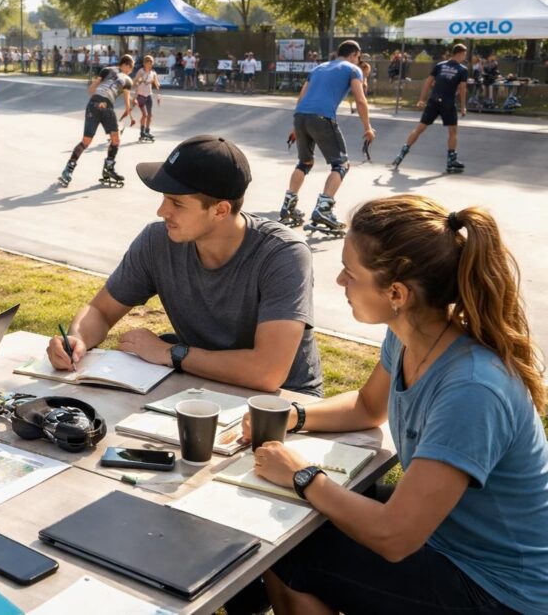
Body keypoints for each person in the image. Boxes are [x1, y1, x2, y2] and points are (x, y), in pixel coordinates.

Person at [249, 194, 548, 615]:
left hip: (502, 592)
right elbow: (367, 407)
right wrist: (289, 417)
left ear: (396, 293)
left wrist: (302, 475)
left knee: (292, 547)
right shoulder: (411, 336)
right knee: (311, 517)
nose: (340, 281)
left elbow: (394, 537)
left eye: (350, 272)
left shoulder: (473, 389)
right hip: (451, 543)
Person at [48, 135, 323, 397]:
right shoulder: (157, 240)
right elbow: (101, 311)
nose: (161, 211)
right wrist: (77, 339)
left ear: (220, 210)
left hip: (282, 404)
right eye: (164, 198)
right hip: (197, 384)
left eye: (177, 203)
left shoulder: (283, 254)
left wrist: (171, 353)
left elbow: (267, 372)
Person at [278, 40, 375, 233]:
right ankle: (324, 209)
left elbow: (302, 96)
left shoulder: (319, 68)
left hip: (301, 116)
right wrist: (368, 127)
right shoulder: (353, 69)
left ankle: (288, 206)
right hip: (322, 117)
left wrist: (296, 126)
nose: (358, 60)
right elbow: (360, 100)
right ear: (354, 54)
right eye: (358, 57)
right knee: (341, 164)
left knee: (304, 162)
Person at [58, 53, 134, 188]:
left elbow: (91, 89)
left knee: (86, 141)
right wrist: (128, 110)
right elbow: (127, 103)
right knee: (115, 140)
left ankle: (68, 170)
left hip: (94, 104)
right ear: (126, 65)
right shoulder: (128, 80)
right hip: (107, 107)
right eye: (131, 68)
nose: (131, 71)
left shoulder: (107, 70)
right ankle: (108, 168)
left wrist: (99, 99)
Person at [390, 44, 468, 174]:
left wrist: (422, 99)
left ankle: (401, 154)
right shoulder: (462, 70)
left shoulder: (440, 65)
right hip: (448, 103)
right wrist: (463, 106)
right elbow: (463, 89)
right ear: (460, 54)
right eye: (464, 55)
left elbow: (428, 82)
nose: (464, 57)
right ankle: (451, 161)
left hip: (433, 101)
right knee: (453, 132)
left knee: (419, 128)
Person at [132, 55, 161, 142]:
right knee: (145, 115)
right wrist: (138, 81)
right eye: (147, 63)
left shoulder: (153, 73)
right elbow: (134, 81)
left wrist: (158, 94)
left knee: (150, 115)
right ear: (144, 63)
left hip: (149, 95)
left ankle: (147, 131)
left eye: (150, 63)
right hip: (140, 95)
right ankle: (142, 132)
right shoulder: (141, 71)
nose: (149, 64)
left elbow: (157, 84)